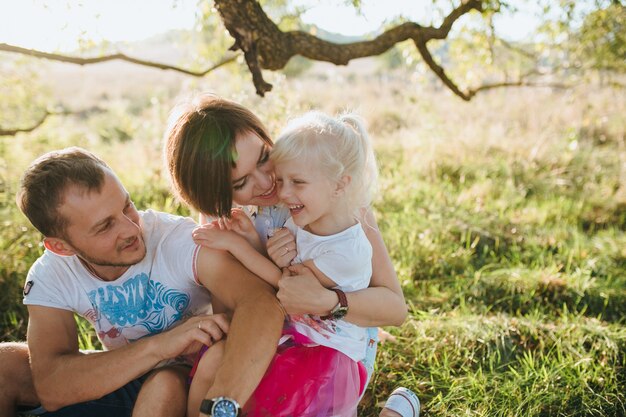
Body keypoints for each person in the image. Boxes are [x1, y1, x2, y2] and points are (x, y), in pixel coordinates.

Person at [164, 93, 416, 416]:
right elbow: (234, 314)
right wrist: (249, 250)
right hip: (277, 339)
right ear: (216, 195)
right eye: (241, 182)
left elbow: (395, 308)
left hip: (330, 345)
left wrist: (331, 301)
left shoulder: (327, 196)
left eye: (264, 157)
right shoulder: (224, 223)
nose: (268, 183)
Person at [2, 147, 285, 417]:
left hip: (192, 379)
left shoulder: (177, 240)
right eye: (105, 226)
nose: (131, 228)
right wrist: (161, 345)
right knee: (5, 366)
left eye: (127, 206)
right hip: (127, 373)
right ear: (61, 247)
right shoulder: (52, 274)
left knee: (163, 386)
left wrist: (222, 403)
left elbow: (261, 303)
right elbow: (52, 386)